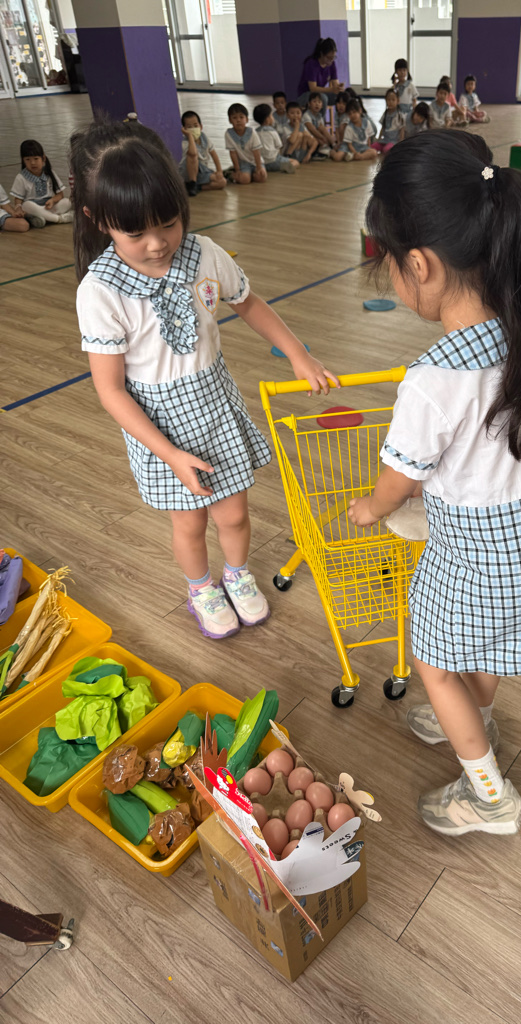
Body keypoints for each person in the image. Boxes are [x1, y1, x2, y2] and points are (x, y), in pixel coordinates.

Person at [348, 131, 521, 836]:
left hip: (482, 559)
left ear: (418, 264)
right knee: (482, 644)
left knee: (433, 660)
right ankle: (477, 720)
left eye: (388, 260)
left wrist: (371, 507)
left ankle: (488, 796)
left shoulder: (433, 380)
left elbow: (399, 479)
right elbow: (484, 450)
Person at [71, 117, 338, 640]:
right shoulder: (100, 291)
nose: (157, 243)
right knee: (189, 522)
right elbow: (110, 390)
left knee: (234, 515)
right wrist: (169, 454)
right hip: (158, 428)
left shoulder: (204, 254)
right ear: (96, 218)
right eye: (136, 233)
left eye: (169, 223)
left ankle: (237, 575)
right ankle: (201, 588)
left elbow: (248, 303)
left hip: (214, 407)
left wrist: (298, 355)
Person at [9, 140, 73, 227]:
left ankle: (43, 218)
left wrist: (52, 200)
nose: (32, 163)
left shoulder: (50, 173)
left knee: (67, 202)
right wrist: (18, 208)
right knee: (26, 205)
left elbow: (60, 195)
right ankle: (59, 219)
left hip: (49, 206)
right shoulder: (21, 177)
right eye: (27, 159)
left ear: (43, 158)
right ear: (23, 161)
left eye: (36, 159)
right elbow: (18, 199)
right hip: (34, 207)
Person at [179, 111, 226, 195]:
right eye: (189, 127)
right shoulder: (186, 142)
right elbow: (193, 154)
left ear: (201, 126)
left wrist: (219, 171)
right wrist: (190, 136)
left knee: (222, 182)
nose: (193, 129)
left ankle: (196, 187)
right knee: (193, 157)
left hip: (202, 171)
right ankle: (192, 183)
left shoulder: (204, 138)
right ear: (184, 129)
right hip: (188, 173)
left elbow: (214, 154)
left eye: (195, 126)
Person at [297, 38, 343, 113]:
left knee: (342, 97)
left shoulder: (332, 64)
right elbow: (313, 89)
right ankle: (320, 120)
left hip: (320, 93)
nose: (331, 60)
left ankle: (343, 119)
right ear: (322, 54)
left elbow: (335, 84)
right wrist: (332, 89)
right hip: (306, 95)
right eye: (329, 58)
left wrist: (339, 88)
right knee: (322, 99)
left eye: (333, 57)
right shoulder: (311, 64)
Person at [224, 103, 267, 184]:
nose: (238, 120)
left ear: (246, 119)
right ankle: (229, 174)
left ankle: (249, 175)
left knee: (261, 178)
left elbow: (256, 151)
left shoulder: (252, 132)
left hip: (256, 162)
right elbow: (233, 153)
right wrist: (237, 170)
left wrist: (259, 167)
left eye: (241, 117)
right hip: (243, 163)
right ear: (230, 120)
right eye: (234, 118)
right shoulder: (228, 134)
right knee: (245, 180)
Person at [252, 104, 300, 173]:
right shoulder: (272, 131)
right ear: (268, 119)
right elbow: (279, 146)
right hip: (274, 161)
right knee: (296, 162)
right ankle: (286, 167)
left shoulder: (255, 132)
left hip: (261, 162)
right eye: (271, 115)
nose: (273, 117)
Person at [372, 89, 406, 153]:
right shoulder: (385, 113)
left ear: (398, 101)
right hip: (384, 140)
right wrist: (379, 138)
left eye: (393, 100)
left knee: (386, 149)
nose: (390, 102)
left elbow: (402, 130)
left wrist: (401, 143)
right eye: (388, 100)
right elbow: (383, 127)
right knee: (373, 146)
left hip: (394, 141)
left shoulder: (400, 115)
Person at [301, 92, 334, 157]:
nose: (317, 104)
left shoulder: (319, 116)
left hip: (317, 137)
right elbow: (311, 129)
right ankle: (322, 148)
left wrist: (326, 137)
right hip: (308, 138)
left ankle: (333, 145)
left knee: (321, 128)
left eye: (319, 102)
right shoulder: (306, 115)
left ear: (322, 105)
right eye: (314, 101)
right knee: (317, 132)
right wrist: (323, 138)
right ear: (309, 104)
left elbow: (322, 129)